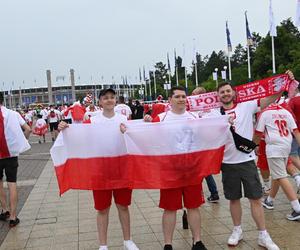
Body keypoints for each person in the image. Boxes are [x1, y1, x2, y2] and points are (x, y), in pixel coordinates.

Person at [58, 89, 139, 250]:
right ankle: (103, 245)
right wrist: (65, 127)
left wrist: (142, 124)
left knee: (123, 206)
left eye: (112, 98)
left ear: (115, 100)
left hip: (122, 169)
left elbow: (137, 135)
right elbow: (78, 135)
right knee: (102, 209)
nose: (109, 100)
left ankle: (127, 240)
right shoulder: (92, 121)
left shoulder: (124, 119)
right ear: (100, 102)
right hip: (100, 171)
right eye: (105, 98)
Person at [213, 79, 287, 249]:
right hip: (227, 162)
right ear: (218, 96)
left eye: (228, 91)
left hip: (246, 160)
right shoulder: (214, 114)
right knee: (233, 199)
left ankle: (263, 234)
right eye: (222, 92)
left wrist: (283, 85)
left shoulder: (246, 106)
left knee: (255, 198)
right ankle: (237, 230)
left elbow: (268, 99)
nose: (225, 94)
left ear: (234, 92)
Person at [144, 86, 207, 250]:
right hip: (169, 171)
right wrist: (136, 127)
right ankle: (168, 244)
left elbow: (206, 135)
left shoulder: (195, 117)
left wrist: (223, 123)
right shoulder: (161, 118)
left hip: (191, 169)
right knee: (170, 208)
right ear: (170, 100)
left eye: (183, 97)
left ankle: (197, 241)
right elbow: (148, 137)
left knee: (193, 206)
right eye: (177, 97)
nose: (181, 99)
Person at [253, 103, 300, 221]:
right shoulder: (286, 112)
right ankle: (270, 200)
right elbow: (296, 132)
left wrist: (252, 146)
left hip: (274, 148)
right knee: (277, 175)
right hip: (286, 146)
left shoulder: (264, 113)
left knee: (281, 176)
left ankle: (297, 208)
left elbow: (258, 133)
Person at [0, 92, 31, 227]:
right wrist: (21, 142)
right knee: (12, 183)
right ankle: (13, 217)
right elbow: (28, 129)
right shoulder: (13, 114)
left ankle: (4, 210)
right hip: (11, 154)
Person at [191, 86, 220, 202]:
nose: (192, 96)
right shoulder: (193, 110)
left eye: (194, 94)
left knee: (200, 172)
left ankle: (203, 194)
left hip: (204, 146)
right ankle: (213, 193)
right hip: (198, 145)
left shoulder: (212, 111)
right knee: (205, 171)